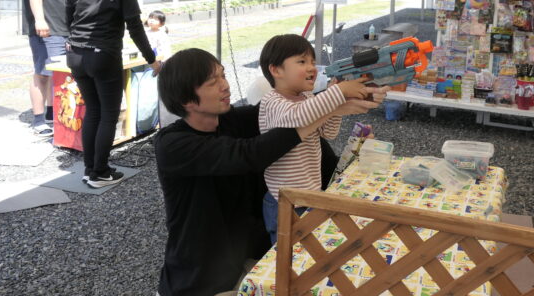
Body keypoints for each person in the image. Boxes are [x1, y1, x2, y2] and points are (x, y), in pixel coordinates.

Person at [154, 48, 386, 296]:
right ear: (187, 100)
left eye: (223, 75)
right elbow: (250, 154)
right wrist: (334, 99)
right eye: (213, 82)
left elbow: (291, 111)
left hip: (251, 259)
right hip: (199, 281)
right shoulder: (172, 145)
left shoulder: (233, 119)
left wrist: (346, 97)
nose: (225, 85)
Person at [65, 0, 161, 188]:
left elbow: (68, 18)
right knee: (108, 114)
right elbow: (135, 27)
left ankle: (90, 169)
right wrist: (151, 58)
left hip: (76, 55)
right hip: (104, 56)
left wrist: (71, 39)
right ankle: (100, 172)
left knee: (92, 110)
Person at [258, 34, 371, 243]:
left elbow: (328, 132)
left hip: (310, 194)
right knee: (286, 254)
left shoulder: (308, 98)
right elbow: (298, 116)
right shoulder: (272, 102)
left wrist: (336, 103)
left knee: (310, 250)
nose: (312, 68)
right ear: (276, 70)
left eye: (312, 61)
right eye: (302, 62)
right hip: (285, 202)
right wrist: (337, 93)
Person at [21, 0, 78, 136]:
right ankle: (38, 120)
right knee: (43, 73)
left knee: (60, 75)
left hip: (65, 29)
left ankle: (53, 115)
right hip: (47, 28)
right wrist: (40, 20)